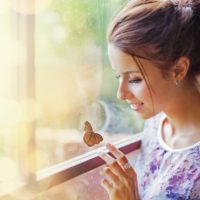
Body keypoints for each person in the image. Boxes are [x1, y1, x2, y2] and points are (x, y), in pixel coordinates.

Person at [99, 0, 200, 199]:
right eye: (119, 76)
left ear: (178, 70)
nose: (121, 94)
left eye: (134, 79)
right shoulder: (156, 124)